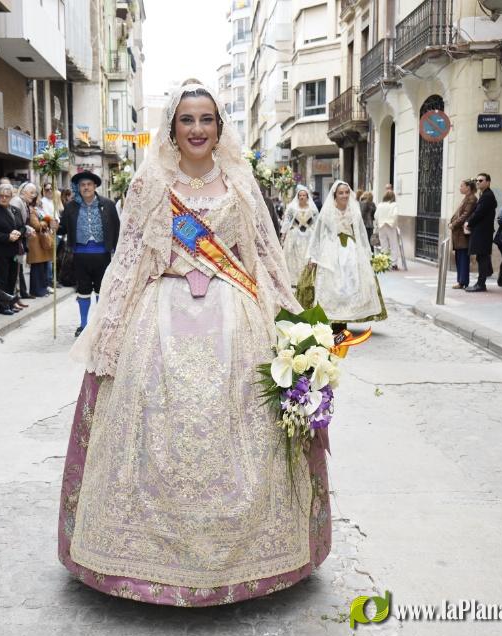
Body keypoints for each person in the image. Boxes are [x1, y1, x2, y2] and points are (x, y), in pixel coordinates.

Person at [59, 80, 332, 607]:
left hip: (235, 320)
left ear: (219, 127)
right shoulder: (150, 186)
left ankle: (253, 554)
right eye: (188, 120)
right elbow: (129, 262)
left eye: (207, 119)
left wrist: (292, 328)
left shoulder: (241, 184)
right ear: (172, 127)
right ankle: (144, 559)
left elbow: (264, 258)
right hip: (159, 321)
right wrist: (109, 333)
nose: (198, 129)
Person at [304, 180, 387, 330]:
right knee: (332, 283)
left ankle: (344, 318)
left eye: (347, 192)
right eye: (341, 193)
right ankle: (333, 318)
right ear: (335, 194)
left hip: (350, 251)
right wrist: (313, 255)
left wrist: (366, 255)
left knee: (349, 283)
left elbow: (361, 234)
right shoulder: (327, 211)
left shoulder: (354, 211)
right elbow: (317, 234)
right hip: (331, 251)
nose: (344, 195)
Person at [59, 170, 120, 336]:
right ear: (78, 188)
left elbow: (117, 229)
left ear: (95, 186)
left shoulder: (107, 205)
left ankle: (100, 324)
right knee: (83, 290)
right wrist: (52, 225)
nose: (86, 187)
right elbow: (62, 228)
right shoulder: (71, 207)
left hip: (102, 255)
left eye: (89, 184)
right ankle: (84, 324)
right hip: (80, 255)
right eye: (82, 185)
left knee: (102, 290)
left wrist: (118, 253)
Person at [0, 183, 28, 310]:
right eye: (1, 196)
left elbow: (22, 226)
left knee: (12, 278)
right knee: (2, 280)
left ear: (11, 197)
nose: (4, 198)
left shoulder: (15, 209)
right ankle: (3, 306)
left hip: (14, 250)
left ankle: (10, 303)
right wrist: (7, 237)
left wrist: (19, 233)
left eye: (7, 196)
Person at [464, 172, 497, 292]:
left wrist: (469, 223)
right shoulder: (484, 194)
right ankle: (485, 276)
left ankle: (481, 284)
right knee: (482, 256)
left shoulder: (487, 196)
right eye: (477, 180)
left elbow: (479, 213)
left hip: (483, 232)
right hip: (482, 231)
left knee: (482, 257)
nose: (478, 182)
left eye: (481, 180)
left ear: (488, 182)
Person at [279, 185, 318, 282]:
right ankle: (295, 279)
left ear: (307, 197)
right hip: (294, 236)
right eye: (300, 195)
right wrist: (283, 234)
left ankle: (307, 278)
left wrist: (315, 234)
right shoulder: (292, 209)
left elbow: (316, 223)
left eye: (304, 195)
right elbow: (286, 223)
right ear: (297, 197)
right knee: (294, 258)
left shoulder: (313, 210)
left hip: (308, 237)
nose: (302, 197)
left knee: (306, 256)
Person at [22, 183, 54, 298]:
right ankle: (37, 290)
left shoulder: (36, 209)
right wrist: (46, 221)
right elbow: (36, 224)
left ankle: (42, 289)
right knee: (37, 268)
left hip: (40, 241)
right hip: (35, 242)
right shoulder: (31, 210)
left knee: (42, 267)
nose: (36, 198)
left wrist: (45, 221)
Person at [448, 179, 478, 289]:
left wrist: (454, 224)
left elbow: (465, 215)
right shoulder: (466, 198)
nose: (460, 188)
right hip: (458, 234)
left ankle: (463, 281)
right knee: (459, 258)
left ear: (468, 188)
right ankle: (461, 281)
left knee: (463, 258)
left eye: (462, 186)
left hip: (462, 234)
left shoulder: (472, 199)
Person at [374, 189, 401, 270]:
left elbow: (376, 215)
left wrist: (378, 223)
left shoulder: (380, 205)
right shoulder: (394, 205)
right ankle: (394, 264)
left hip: (381, 226)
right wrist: (393, 223)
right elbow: (396, 214)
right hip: (390, 226)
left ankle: (384, 264)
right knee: (393, 245)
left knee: (384, 245)